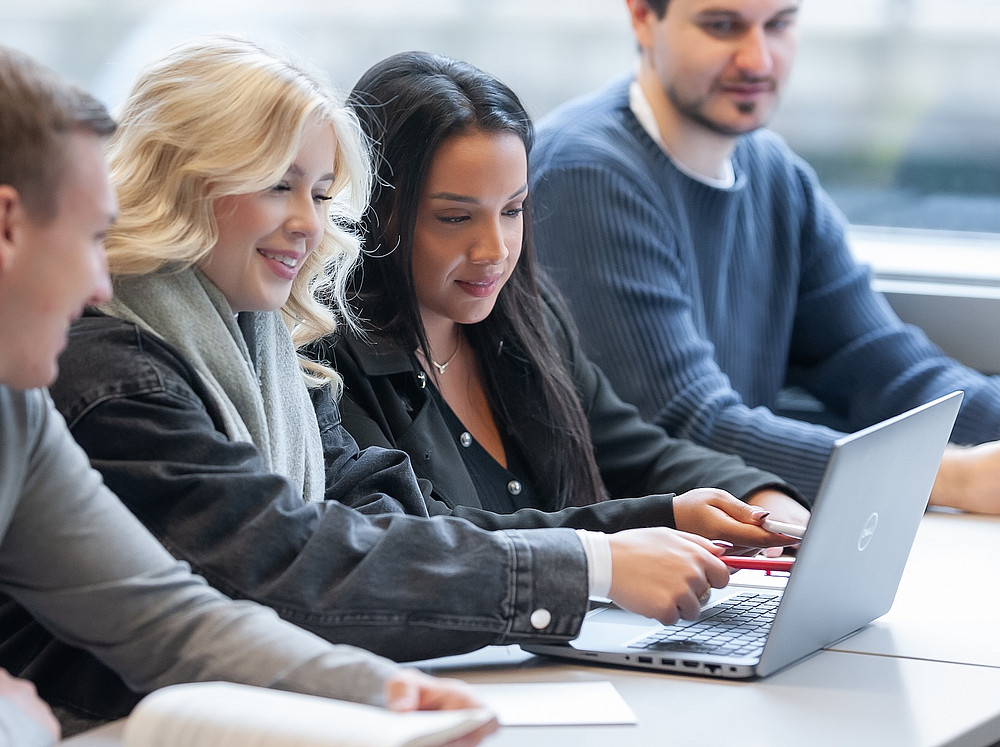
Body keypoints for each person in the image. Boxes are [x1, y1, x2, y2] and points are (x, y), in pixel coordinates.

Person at [1, 35, 736, 725]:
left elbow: (371, 532)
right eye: (277, 186)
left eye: (320, 194)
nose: (310, 226)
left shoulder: (268, 349)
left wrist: (622, 540)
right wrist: (590, 565)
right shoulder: (110, 372)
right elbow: (285, 563)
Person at [0, 43, 493, 744]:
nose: (99, 286)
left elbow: (161, 615)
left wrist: (381, 691)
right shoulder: (104, 367)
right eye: (89, 238)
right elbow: (271, 567)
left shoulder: (16, 408)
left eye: (321, 194)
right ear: (10, 225)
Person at [313, 50, 808, 543]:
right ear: (375, 211)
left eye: (513, 211)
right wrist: (642, 534)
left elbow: (638, 453)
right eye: (455, 218)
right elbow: (425, 541)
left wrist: (763, 499)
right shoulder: (328, 357)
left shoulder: (526, 320)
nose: (495, 251)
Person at [529, 0, 1000, 510]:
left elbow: (881, 363)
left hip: (742, 536)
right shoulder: (584, 173)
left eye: (778, 25)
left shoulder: (774, 171)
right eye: (722, 26)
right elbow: (682, 425)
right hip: (640, 552)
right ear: (643, 17)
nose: (758, 60)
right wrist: (954, 479)